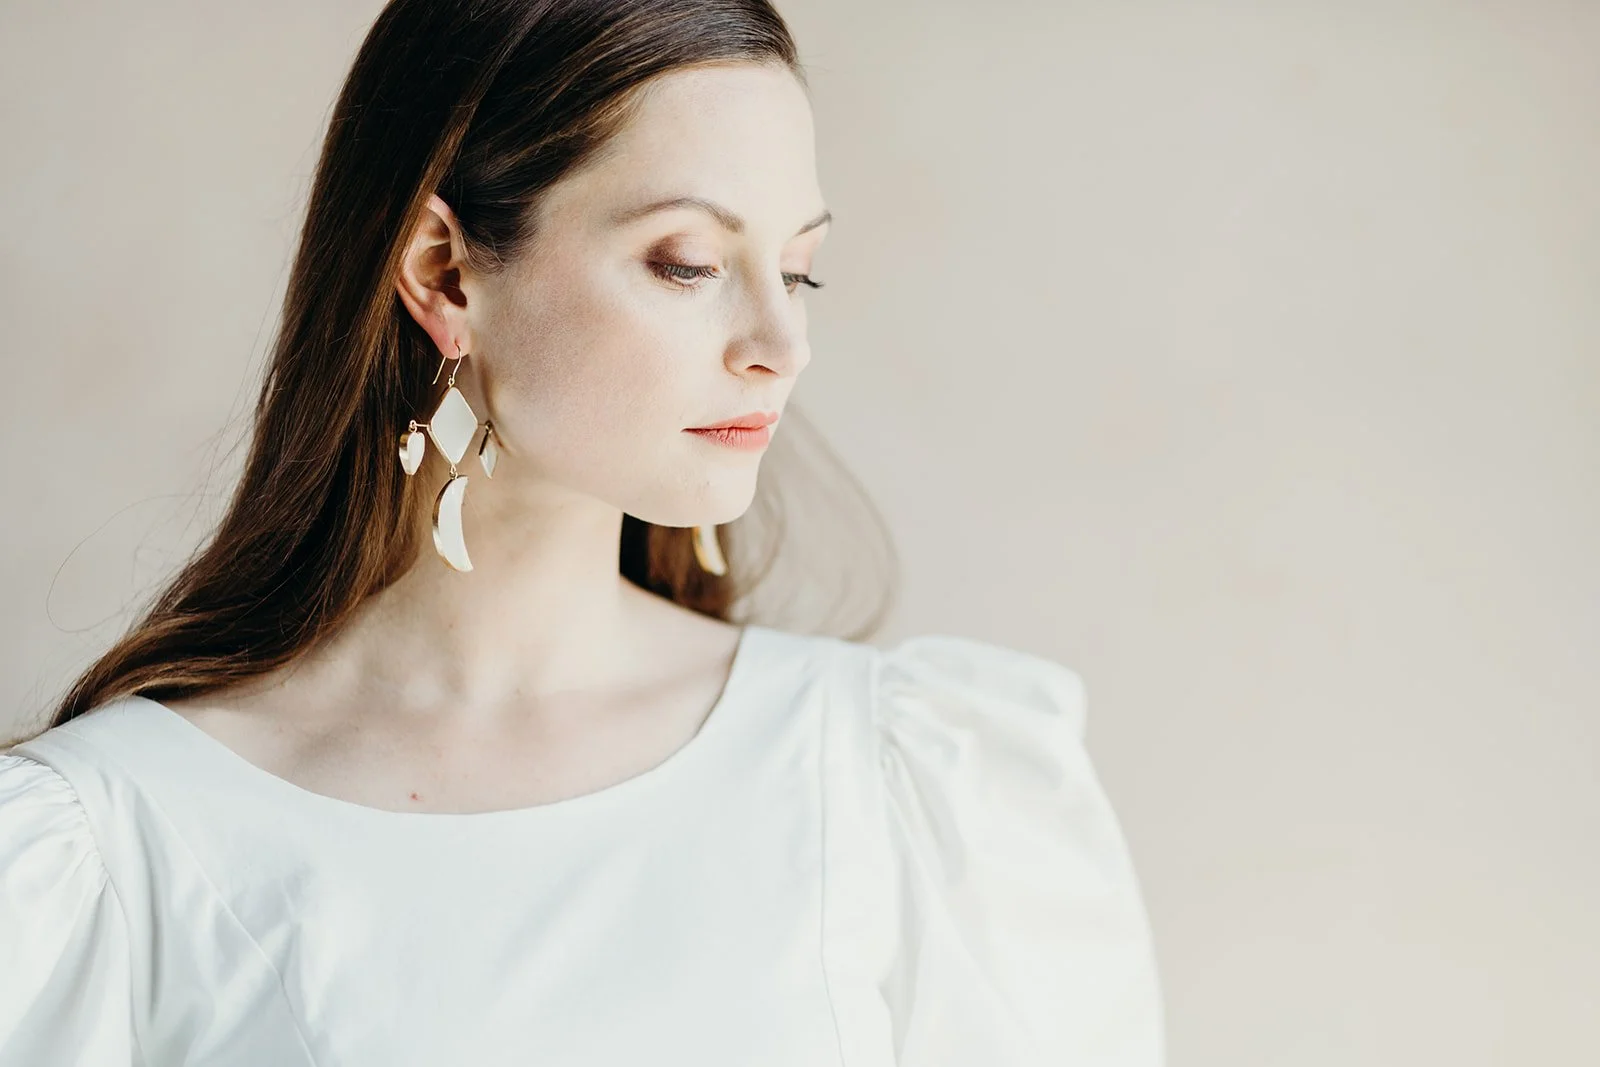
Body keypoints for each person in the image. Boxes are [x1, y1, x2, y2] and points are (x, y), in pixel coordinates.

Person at [0, 1, 1165, 1063]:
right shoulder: (108, 849)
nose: (779, 339)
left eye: (799, 271)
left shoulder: (904, 782)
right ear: (443, 270)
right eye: (689, 263)